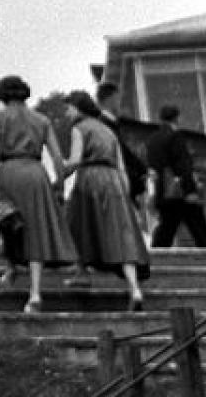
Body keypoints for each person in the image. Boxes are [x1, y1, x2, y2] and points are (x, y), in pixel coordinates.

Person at [0, 73, 75, 313]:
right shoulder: (42, 120)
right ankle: (34, 294)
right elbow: (57, 156)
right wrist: (60, 184)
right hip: (36, 174)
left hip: (9, 172)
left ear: (2, 95)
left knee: (7, 222)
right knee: (35, 231)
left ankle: (12, 267)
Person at [61, 89, 149, 310]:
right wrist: (125, 192)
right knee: (121, 233)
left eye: (69, 108)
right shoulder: (108, 131)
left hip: (90, 179)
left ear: (79, 108)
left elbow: (73, 161)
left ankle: (81, 272)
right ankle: (135, 288)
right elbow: (120, 165)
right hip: (115, 182)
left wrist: (57, 178)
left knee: (78, 224)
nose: (67, 113)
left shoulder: (79, 129)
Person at [144, 103, 206, 248]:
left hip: (163, 190)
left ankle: (157, 257)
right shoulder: (175, 137)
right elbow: (183, 165)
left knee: (166, 228)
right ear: (177, 118)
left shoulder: (152, 140)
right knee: (199, 227)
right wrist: (190, 190)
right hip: (179, 191)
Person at [94, 80, 150, 230]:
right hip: (117, 180)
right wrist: (141, 169)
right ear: (110, 99)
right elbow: (121, 153)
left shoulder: (106, 124)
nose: (120, 103)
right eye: (118, 98)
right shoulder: (106, 126)